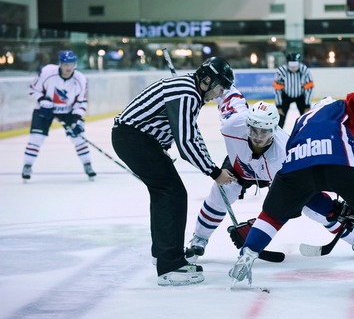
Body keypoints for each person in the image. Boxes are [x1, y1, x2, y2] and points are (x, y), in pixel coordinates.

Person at [229, 84, 354, 290]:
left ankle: (247, 256)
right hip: (340, 159)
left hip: (298, 165)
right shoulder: (342, 108)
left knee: (271, 216)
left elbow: (307, 184)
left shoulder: (300, 122)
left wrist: (334, 209)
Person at [185, 86, 354, 263]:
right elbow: (228, 93)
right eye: (253, 130)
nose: (258, 136)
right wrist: (206, 88)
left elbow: (292, 201)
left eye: (264, 132)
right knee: (220, 194)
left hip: (277, 175)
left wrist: (256, 227)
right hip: (238, 167)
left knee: (316, 211)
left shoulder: (286, 153)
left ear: (274, 130)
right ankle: (199, 239)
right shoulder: (233, 125)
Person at [111, 57, 237, 287]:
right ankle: (170, 265)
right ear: (207, 80)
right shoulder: (186, 93)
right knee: (172, 193)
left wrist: (160, 148)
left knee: (165, 193)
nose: (220, 94)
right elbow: (187, 143)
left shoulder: (189, 92)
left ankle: (163, 253)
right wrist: (214, 171)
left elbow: (183, 132)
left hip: (138, 140)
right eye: (220, 87)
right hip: (133, 139)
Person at [22, 50, 96, 181]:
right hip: (44, 110)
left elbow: (82, 101)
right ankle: (27, 166)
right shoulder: (47, 72)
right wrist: (42, 100)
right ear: (60, 64)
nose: (68, 68)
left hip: (68, 112)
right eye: (65, 64)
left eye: (71, 64)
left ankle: (87, 164)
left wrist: (76, 119)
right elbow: (32, 89)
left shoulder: (80, 79)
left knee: (79, 138)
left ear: (75, 64)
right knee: (36, 138)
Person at [273, 52, 314, 129]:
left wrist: (307, 105)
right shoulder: (281, 71)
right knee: (280, 119)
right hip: (285, 95)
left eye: (295, 66)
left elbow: (309, 89)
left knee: (306, 118)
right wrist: (278, 106)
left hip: (301, 96)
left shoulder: (305, 70)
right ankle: (276, 135)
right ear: (287, 64)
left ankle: (307, 133)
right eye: (291, 66)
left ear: (299, 63)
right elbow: (277, 89)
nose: (293, 68)